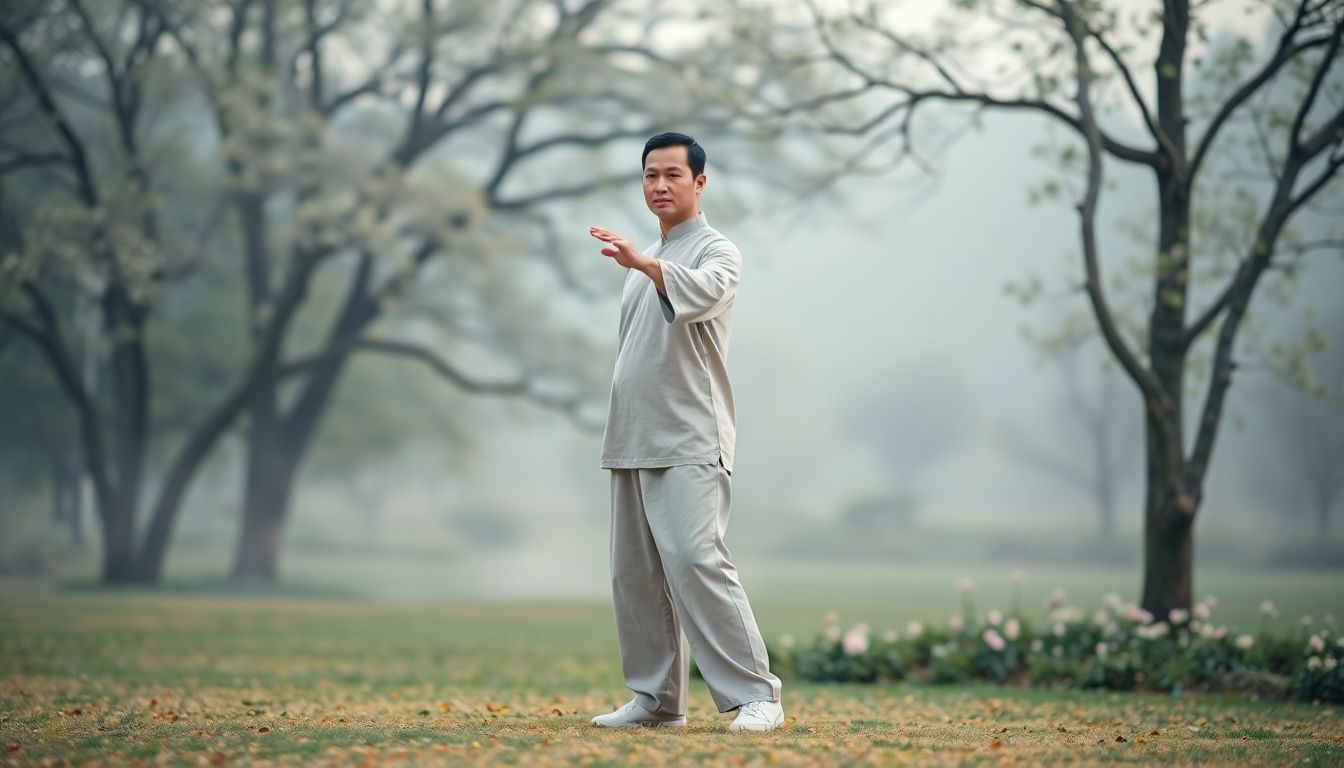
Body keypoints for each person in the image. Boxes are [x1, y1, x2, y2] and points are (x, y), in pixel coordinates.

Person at [587, 132, 784, 732]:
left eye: (673, 174)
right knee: (634, 574)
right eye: (651, 175)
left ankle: (757, 695)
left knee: (697, 558)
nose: (660, 185)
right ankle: (657, 699)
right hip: (633, 436)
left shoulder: (717, 252)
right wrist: (643, 262)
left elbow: (702, 295)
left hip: (690, 435)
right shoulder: (641, 255)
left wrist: (647, 265)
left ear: (700, 183)